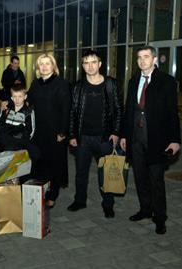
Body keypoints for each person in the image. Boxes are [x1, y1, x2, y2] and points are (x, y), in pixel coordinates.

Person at [120, 46, 181, 235]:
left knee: (156, 179)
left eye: (146, 57)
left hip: (157, 138)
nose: (142, 61)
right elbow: (128, 110)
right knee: (140, 177)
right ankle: (145, 209)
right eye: (139, 57)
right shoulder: (133, 81)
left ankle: (160, 217)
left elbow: (173, 113)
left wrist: (174, 140)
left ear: (154, 59)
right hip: (136, 138)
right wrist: (124, 135)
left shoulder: (167, 81)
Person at [67, 50, 122, 218]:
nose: (90, 66)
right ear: (82, 66)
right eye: (86, 62)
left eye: (93, 62)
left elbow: (119, 110)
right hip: (83, 138)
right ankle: (80, 200)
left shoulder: (111, 84)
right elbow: (71, 113)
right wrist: (72, 135)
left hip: (105, 138)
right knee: (81, 172)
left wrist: (116, 132)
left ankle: (108, 204)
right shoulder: (77, 87)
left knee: (106, 173)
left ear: (100, 64)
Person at [28, 53, 71, 208]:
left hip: (55, 131)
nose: (44, 66)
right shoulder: (35, 83)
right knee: (41, 162)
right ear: (38, 67)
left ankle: (53, 194)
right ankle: (42, 189)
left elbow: (67, 109)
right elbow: (28, 102)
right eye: (41, 64)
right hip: (39, 131)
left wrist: (62, 132)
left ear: (53, 66)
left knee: (55, 163)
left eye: (48, 63)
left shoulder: (61, 83)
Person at [0, 84, 39, 162]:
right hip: (5, 143)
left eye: (20, 96)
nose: (17, 99)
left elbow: (31, 131)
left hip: (20, 145)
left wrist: (21, 140)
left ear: (25, 97)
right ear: (11, 97)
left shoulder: (28, 111)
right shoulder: (6, 109)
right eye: (14, 96)